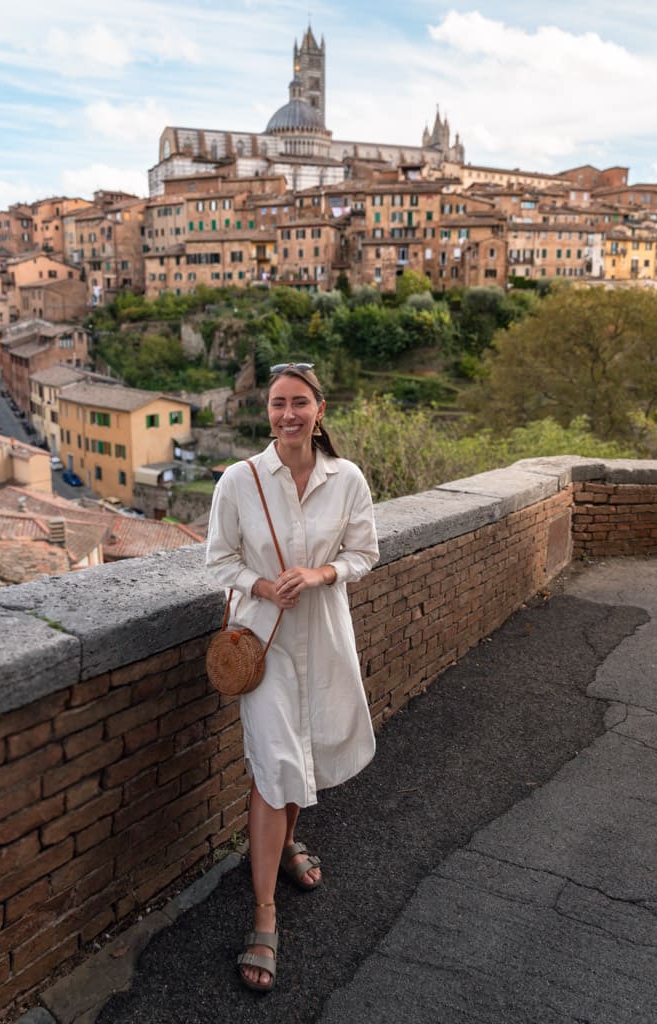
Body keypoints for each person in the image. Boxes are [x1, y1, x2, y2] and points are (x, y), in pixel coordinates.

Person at [206, 362, 379, 992]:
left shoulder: (348, 479)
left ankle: (281, 850)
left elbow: (365, 552)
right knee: (277, 764)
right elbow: (215, 560)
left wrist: (319, 574)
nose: (288, 414)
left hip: (325, 636)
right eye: (278, 404)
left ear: (319, 408)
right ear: (268, 412)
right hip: (266, 644)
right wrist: (261, 584)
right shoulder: (239, 480)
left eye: (299, 402)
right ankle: (264, 914)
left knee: (304, 753)